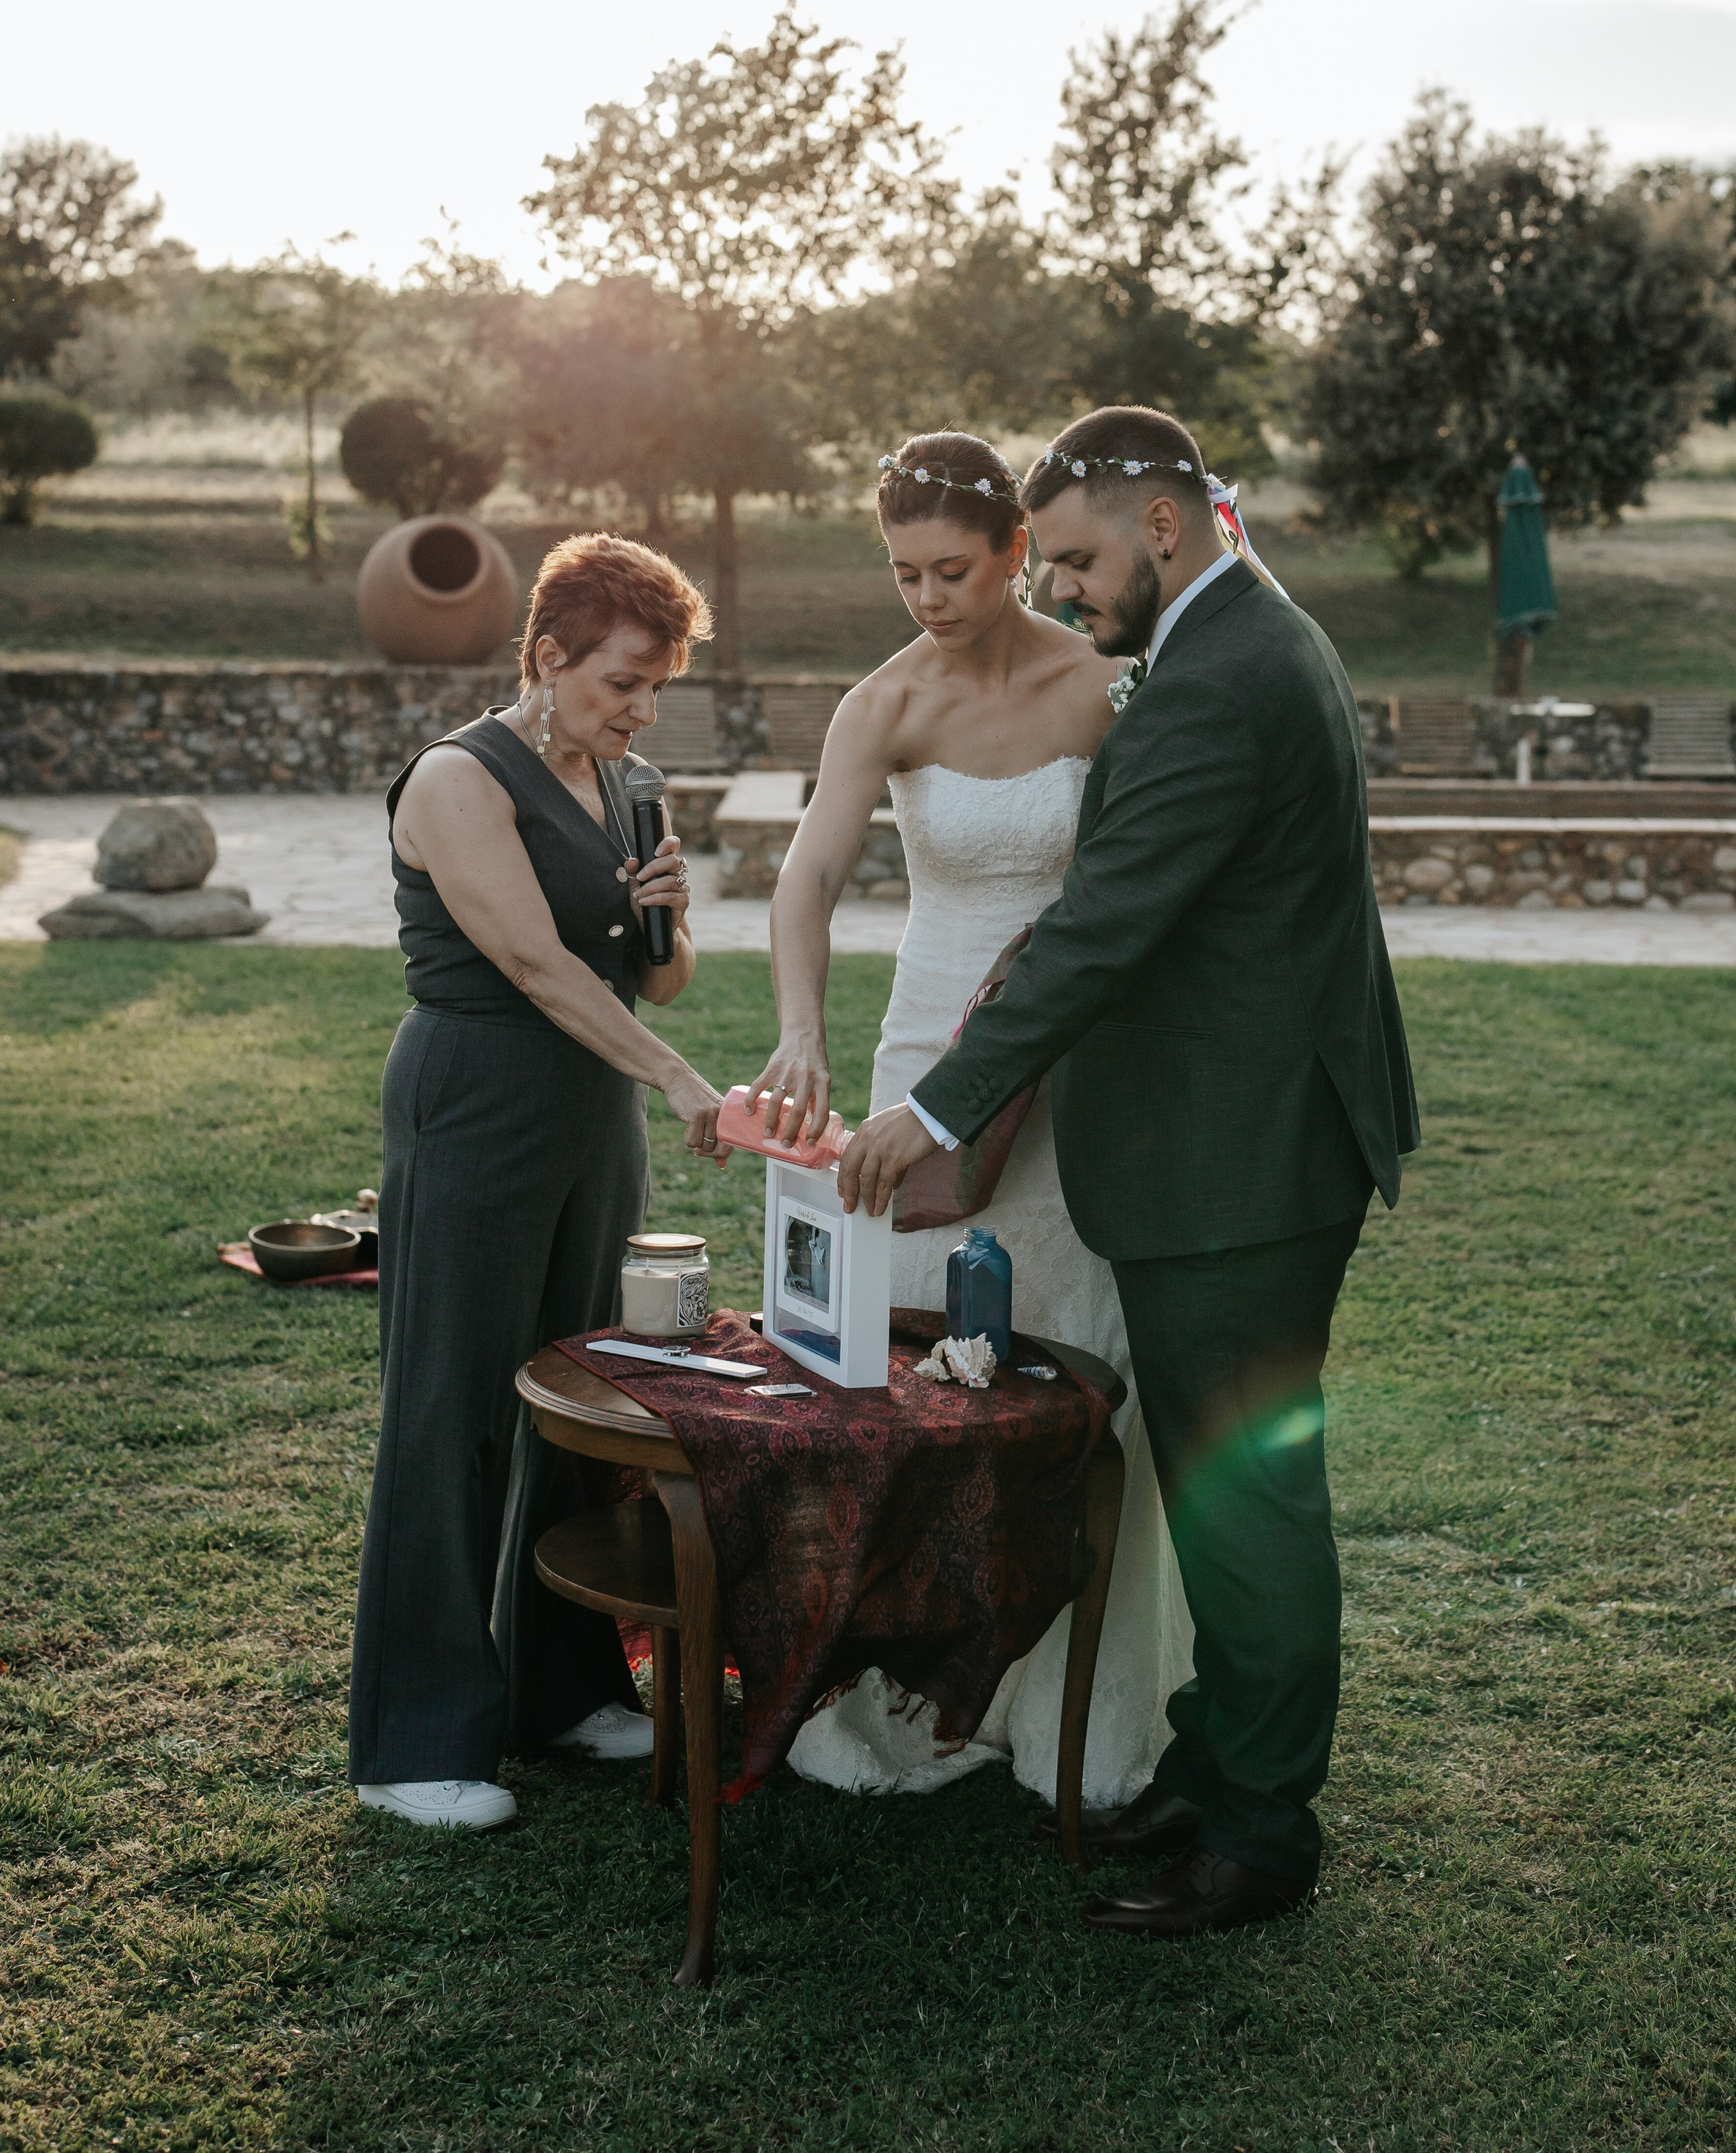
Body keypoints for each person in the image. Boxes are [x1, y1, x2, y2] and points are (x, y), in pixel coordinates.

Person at [838, 407, 1419, 1939]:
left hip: (1240, 1162)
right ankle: (1215, 1754)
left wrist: (939, 1108)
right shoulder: (1245, 630)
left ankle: (1259, 1830)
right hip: (1244, 1141)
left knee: (1248, 1499)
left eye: (1085, 557)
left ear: (1165, 526)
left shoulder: (1215, 683)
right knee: (1217, 1478)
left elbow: (1097, 933)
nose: (1074, 590)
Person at [756, 429, 1194, 1806]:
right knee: (917, 1374)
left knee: (1065, 1367)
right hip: (923, 1063)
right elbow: (806, 880)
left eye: (953, 568)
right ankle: (919, 1676)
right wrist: (800, 1035)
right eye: (903, 575)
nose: (930, 597)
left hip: (1076, 1074)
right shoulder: (882, 703)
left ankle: (1067, 1700)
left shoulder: (1110, 683)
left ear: (1019, 549)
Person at [348, 530, 726, 1833]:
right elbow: (537, 967)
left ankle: (558, 1693)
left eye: (657, 684)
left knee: (576, 1398)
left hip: (588, 1112)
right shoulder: (461, 779)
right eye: (625, 679)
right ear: (547, 657)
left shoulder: (631, 782)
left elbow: (652, 973)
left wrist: (669, 907)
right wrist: (680, 1080)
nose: (643, 707)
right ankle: (414, 1740)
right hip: (478, 1096)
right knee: (451, 1401)